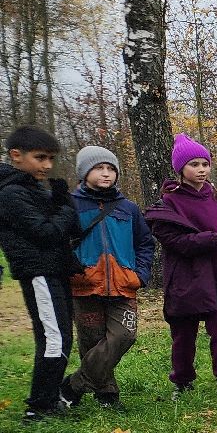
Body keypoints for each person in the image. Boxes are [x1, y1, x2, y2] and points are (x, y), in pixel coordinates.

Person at [146, 134, 217, 399]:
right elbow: (174, 240)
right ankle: (182, 381)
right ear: (181, 169)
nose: (201, 169)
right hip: (185, 279)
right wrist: (214, 239)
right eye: (194, 164)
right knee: (183, 334)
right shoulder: (169, 203)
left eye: (205, 163)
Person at [0, 126, 81, 421]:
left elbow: (71, 230)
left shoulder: (34, 189)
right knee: (53, 338)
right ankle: (39, 407)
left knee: (61, 336)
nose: (47, 165)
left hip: (56, 271)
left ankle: (48, 400)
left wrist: (63, 203)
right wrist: (66, 209)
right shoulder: (10, 194)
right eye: (40, 157)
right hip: (38, 273)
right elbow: (46, 233)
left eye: (51, 159)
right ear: (16, 156)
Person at [64, 146, 154, 410]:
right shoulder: (70, 205)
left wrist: (140, 274)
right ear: (84, 172)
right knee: (91, 340)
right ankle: (107, 395)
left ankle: (73, 386)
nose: (106, 174)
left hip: (124, 284)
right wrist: (72, 269)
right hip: (84, 284)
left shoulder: (128, 208)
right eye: (99, 168)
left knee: (124, 336)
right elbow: (59, 242)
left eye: (111, 169)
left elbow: (145, 243)